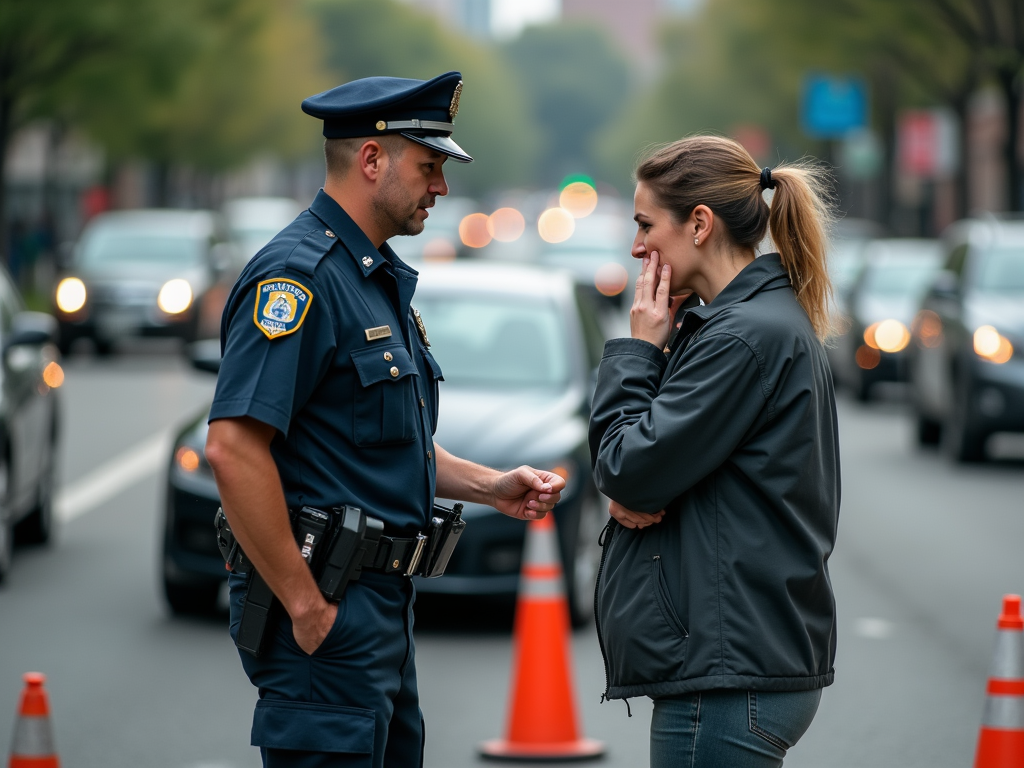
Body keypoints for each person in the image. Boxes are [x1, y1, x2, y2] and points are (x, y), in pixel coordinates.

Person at [204, 71, 566, 768]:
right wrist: (306, 605)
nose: (441, 187)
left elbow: (383, 445)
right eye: (429, 166)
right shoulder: (300, 277)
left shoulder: (366, 278)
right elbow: (232, 449)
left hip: (378, 609)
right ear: (372, 161)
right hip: (328, 609)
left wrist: (493, 485)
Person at [588, 136, 840, 768]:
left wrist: (639, 350)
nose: (637, 246)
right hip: (737, 665)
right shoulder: (746, 324)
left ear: (699, 223)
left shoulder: (742, 337)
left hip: (728, 677)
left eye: (646, 225)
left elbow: (626, 467)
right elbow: (648, 466)